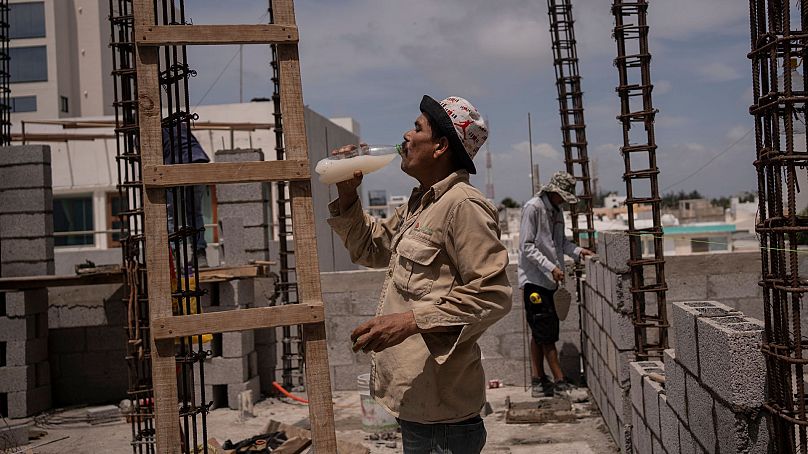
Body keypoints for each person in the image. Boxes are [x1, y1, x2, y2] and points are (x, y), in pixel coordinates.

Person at [326, 95, 512, 454]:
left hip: (444, 421)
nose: (405, 136)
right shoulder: (422, 202)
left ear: (441, 146)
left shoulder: (463, 206)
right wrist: (347, 193)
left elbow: (493, 295)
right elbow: (371, 249)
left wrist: (411, 321)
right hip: (421, 405)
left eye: (417, 128)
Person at [518, 171, 593, 398]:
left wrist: (580, 252)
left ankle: (539, 380)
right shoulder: (533, 208)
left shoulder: (556, 211)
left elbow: (560, 244)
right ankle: (559, 381)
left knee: (539, 332)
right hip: (535, 281)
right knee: (546, 333)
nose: (563, 201)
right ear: (553, 192)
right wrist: (551, 268)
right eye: (562, 196)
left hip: (550, 281)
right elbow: (527, 246)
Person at [163, 123, 210, 268]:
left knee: (169, 213)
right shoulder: (178, 125)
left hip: (177, 166)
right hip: (198, 163)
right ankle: (200, 255)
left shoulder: (147, 131)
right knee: (195, 212)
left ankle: (175, 257)